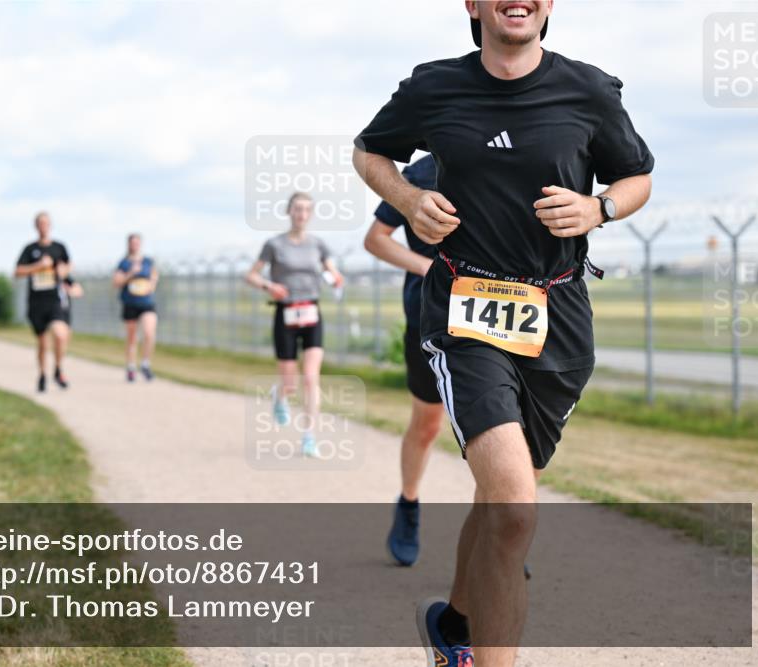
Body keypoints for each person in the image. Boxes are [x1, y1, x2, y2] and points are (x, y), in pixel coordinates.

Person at [353, 2, 654, 665]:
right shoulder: (435, 86)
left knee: (501, 502)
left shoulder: (590, 90)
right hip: (465, 313)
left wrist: (597, 207)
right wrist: (406, 199)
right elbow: (370, 151)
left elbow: (637, 177)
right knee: (516, 507)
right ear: (471, 3)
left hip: (559, 320)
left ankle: (455, 625)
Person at [363, 155, 446, 566]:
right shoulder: (420, 174)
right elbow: (376, 238)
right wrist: (428, 266)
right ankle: (409, 504)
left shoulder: (515, 152)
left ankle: (501, 528)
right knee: (428, 424)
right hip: (430, 316)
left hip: (501, 317)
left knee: (505, 429)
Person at [245, 192, 344, 458]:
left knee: (311, 378)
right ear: (289, 211)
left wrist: (336, 278)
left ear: (310, 214)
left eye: (306, 210)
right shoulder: (274, 244)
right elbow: (251, 275)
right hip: (286, 313)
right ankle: (280, 395)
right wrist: (269, 285)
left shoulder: (318, 245)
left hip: (311, 312)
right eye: (297, 209)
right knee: (290, 383)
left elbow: (333, 272)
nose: (301, 214)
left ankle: (309, 437)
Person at [15, 211, 72, 392]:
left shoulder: (59, 247)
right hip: (36, 301)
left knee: (60, 334)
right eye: (40, 223)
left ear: (50, 225)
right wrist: (37, 266)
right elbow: (17, 272)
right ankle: (42, 374)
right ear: (36, 226)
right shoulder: (30, 249)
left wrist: (63, 271)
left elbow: (68, 265)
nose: (43, 226)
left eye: (46, 223)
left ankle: (58, 368)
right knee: (42, 342)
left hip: (54, 300)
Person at [112, 233, 158, 382]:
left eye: (137, 242)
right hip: (130, 303)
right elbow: (117, 282)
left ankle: (145, 364)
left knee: (149, 332)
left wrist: (151, 285)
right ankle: (131, 366)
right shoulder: (124, 263)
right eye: (132, 243)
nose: (135, 245)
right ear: (128, 244)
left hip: (146, 303)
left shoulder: (148, 261)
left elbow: (154, 276)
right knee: (132, 338)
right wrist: (131, 274)